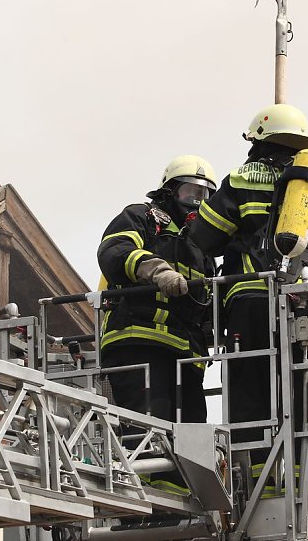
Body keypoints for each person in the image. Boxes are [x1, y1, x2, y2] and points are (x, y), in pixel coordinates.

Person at [188, 103, 308, 484]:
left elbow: (203, 238)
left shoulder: (241, 178)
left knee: (251, 393)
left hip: (251, 304)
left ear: (258, 139)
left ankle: (260, 483)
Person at [97, 155, 217, 492]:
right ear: (170, 191)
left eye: (206, 195)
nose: (198, 202)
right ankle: (147, 501)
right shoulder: (143, 217)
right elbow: (114, 251)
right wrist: (156, 270)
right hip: (139, 338)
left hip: (185, 353)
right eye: (191, 193)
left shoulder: (203, 244)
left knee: (191, 433)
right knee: (150, 427)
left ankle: (183, 503)